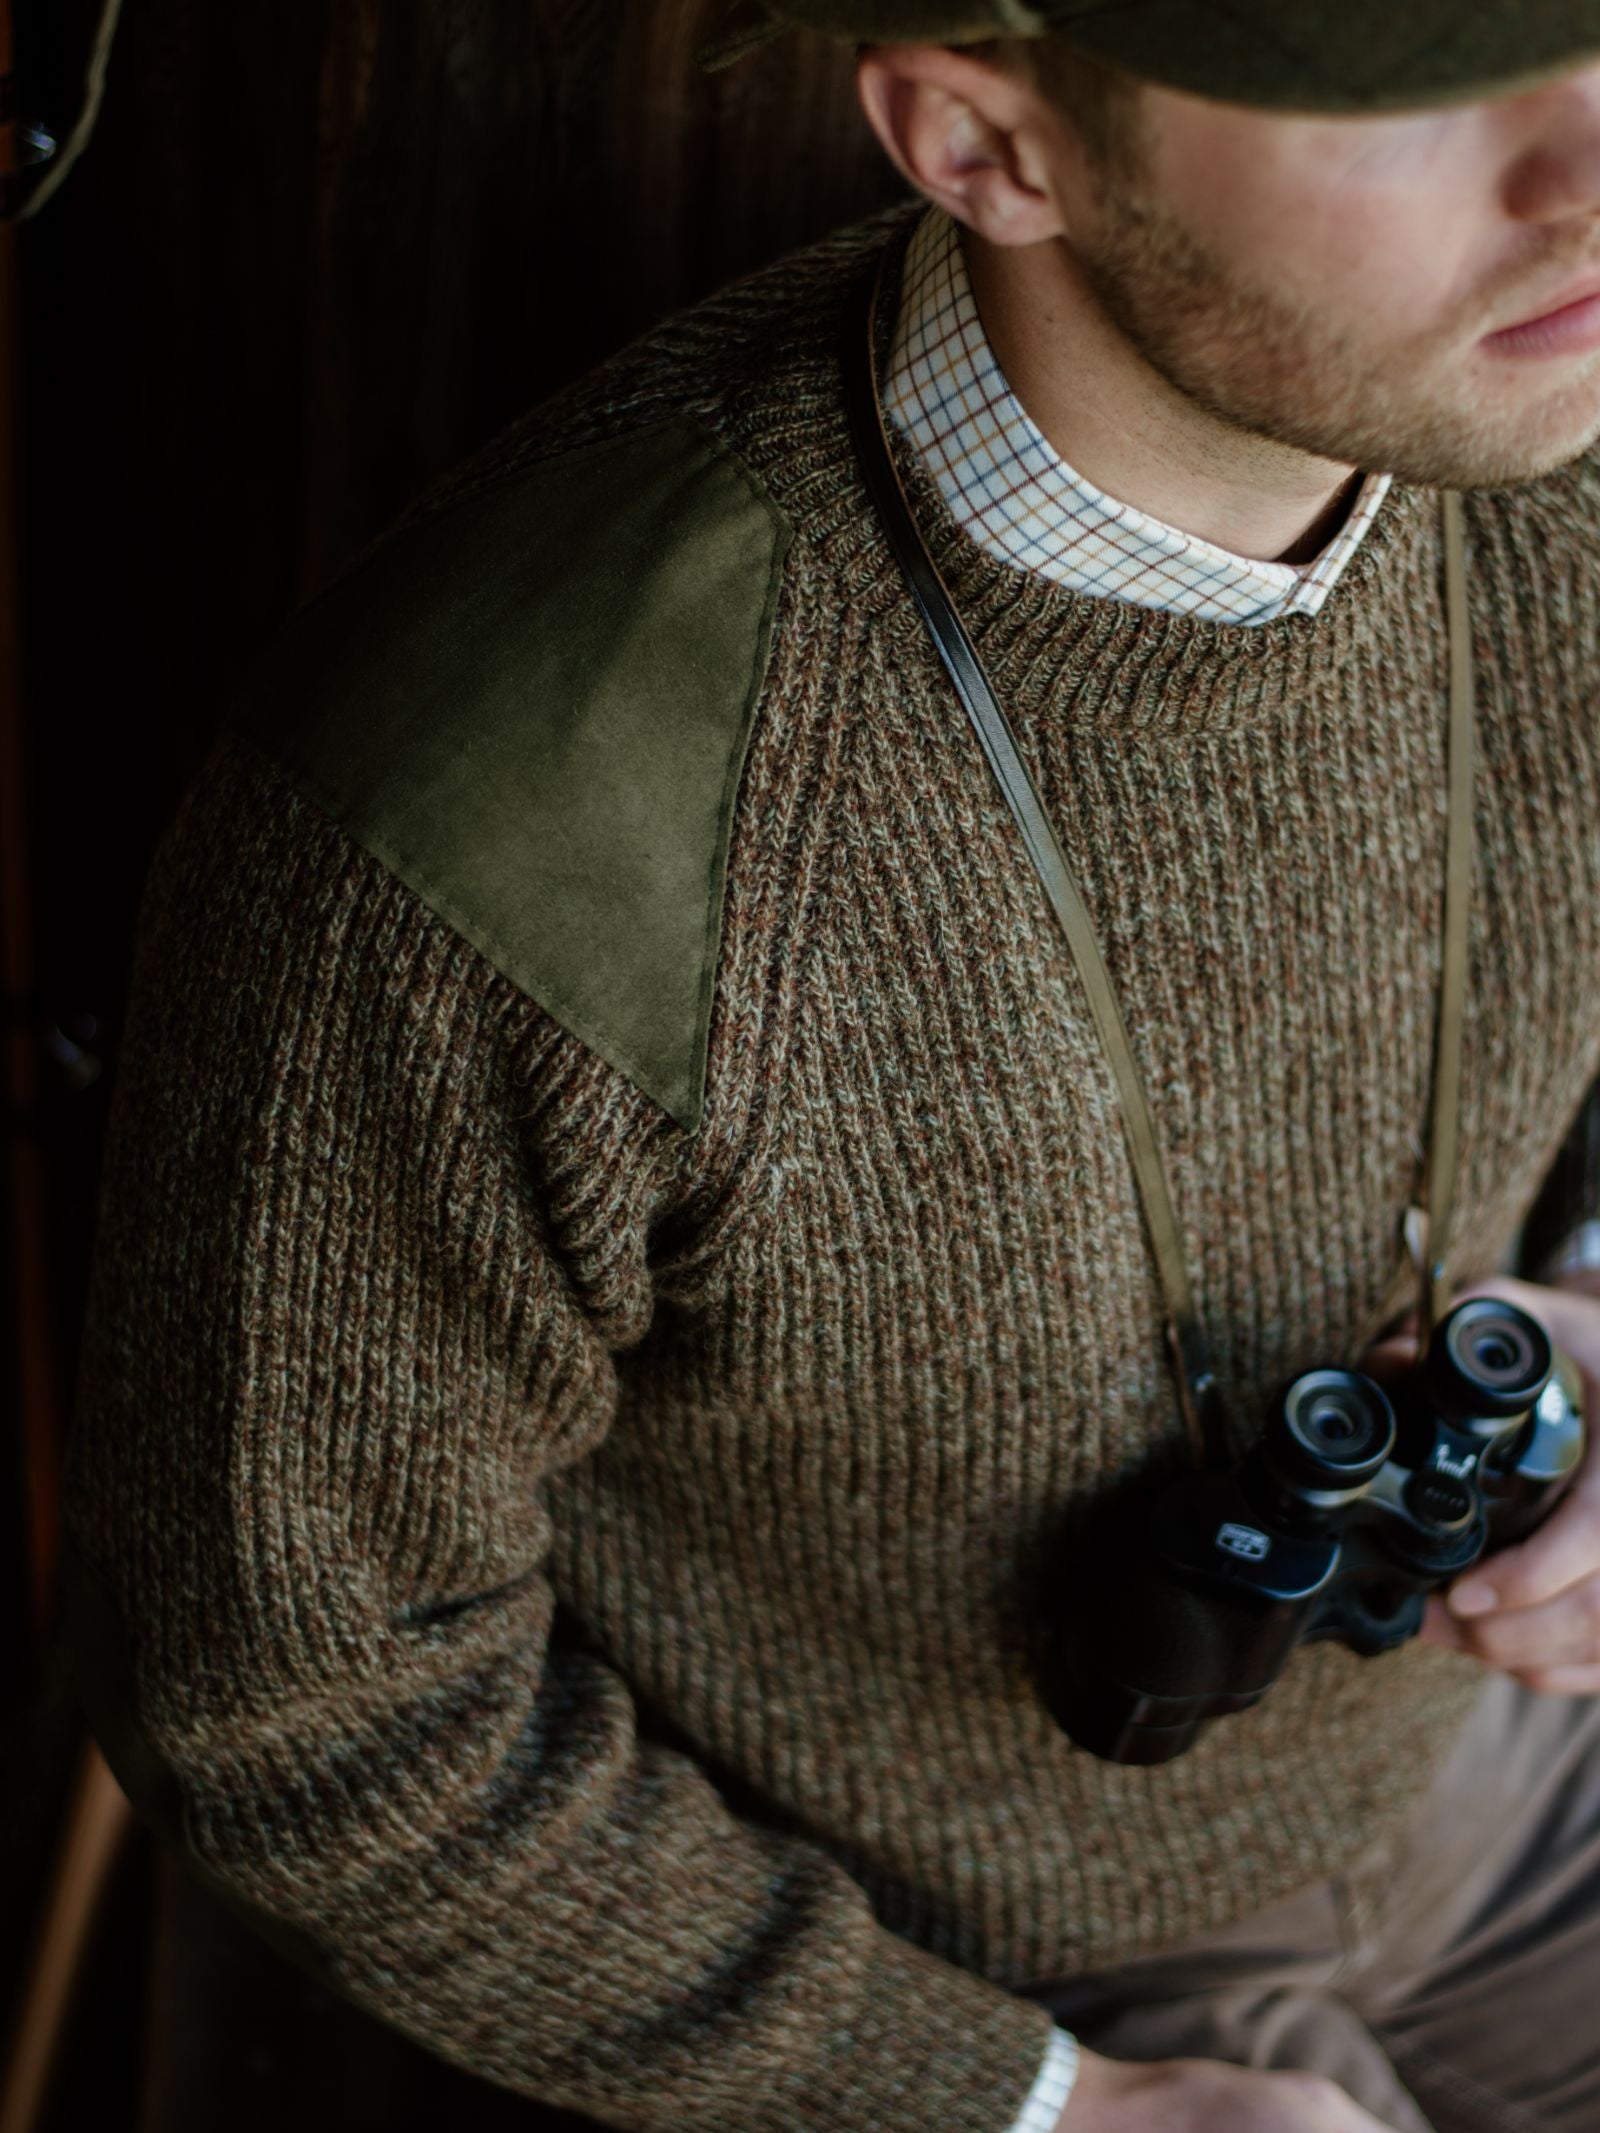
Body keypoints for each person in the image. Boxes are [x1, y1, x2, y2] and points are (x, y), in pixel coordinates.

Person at [57, 3, 1600, 2128]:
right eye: (1405, 96)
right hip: (928, 1955)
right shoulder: (492, 823)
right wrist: (1029, 2102)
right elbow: (299, 1696)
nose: (1576, 169)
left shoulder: (1542, 401)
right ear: (984, 144)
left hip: (1504, 1756)